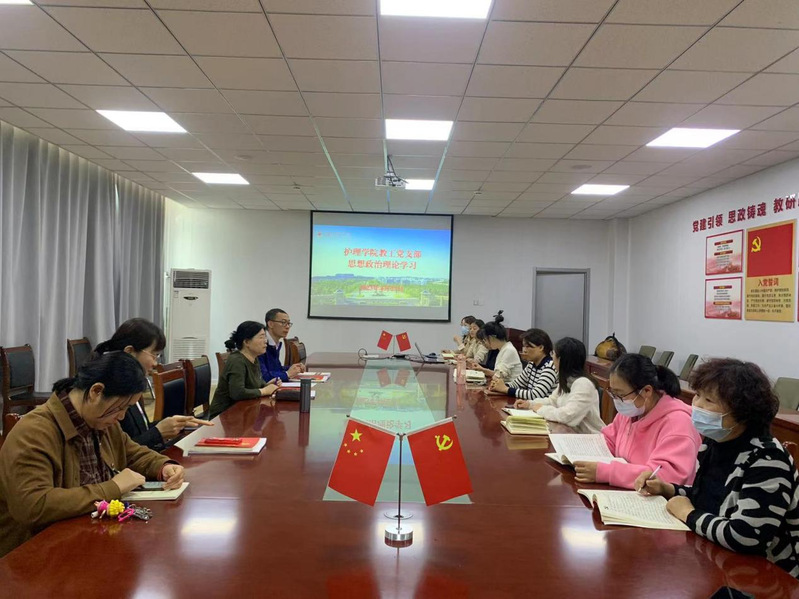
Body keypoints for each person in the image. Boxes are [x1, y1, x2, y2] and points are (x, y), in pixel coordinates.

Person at [0, 352, 184, 557]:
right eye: (121, 407)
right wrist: (113, 488)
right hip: (37, 553)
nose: (122, 416)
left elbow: (131, 452)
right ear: (96, 391)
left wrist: (163, 466)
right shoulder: (35, 431)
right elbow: (32, 505)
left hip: (87, 537)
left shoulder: (101, 420)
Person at [635, 358, 799, 577]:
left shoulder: (768, 459)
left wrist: (688, 514)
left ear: (741, 412)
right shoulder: (715, 442)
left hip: (769, 577)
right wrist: (668, 489)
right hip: (718, 562)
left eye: (709, 400)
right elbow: (710, 498)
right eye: (698, 395)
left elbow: (746, 536)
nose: (697, 405)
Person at [572, 353, 701, 489]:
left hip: (655, 498)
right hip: (625, 490)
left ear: (647, 391)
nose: (617, 400)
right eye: (613, 393)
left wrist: (607, 472)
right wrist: (578, 451)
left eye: (621, 394)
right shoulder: (632, 411)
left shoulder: (678, 424)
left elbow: (663, 477)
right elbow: (608, 441)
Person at [94, 318, 212, 451]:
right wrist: (157, 433)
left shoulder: (131, 383)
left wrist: (173, 424)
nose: (156, 363)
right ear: (130, 352)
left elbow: (139, 430)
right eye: (154, 355)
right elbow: (116, 451)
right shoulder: (110, 388)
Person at [518, 337, 604, 434]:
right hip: (567, 434)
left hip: (588, 439)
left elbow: (567, 416)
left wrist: (541, 409)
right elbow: (552, 401)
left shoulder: (584, 384)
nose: (552, 358)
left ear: (562, 360)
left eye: (553, 354)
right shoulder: (567, 380)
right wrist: (530, 404)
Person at [210, 321, 281, 419]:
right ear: (247, 342)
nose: (266, 341)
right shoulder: (237, 361)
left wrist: (267, 385)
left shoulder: (254, 358)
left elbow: (255, 383)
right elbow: (237, 393)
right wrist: (264, 391)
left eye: (265, 337)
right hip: (225, 415)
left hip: (243, 411)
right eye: (261, 337)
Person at [490, 328, 557, 402]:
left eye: (527, 346)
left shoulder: (550, 366)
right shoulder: (531, 364)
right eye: (524, 346)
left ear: (541, 347)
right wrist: (499, 385)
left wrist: (505, 389)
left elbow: (535, 395)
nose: (524, 350)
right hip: (531, 405)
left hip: (543, 407)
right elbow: (516, 384)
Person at [467, 315, 522, 381]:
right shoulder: (503, 349)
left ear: (491, 338)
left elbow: (498, 376)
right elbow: (497, 373)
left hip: (508, 386)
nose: (485, 343)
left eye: (485, 340)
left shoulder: (509, 350)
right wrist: (482, 370)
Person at [259, 308, 306, 382]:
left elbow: (276, 369)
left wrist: (293, 368)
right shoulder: (260, 343)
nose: (287, 327)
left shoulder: (274, 343)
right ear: (270, 324)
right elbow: (263, 376)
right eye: (283, 322)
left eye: (288, 323)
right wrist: (287, 374)